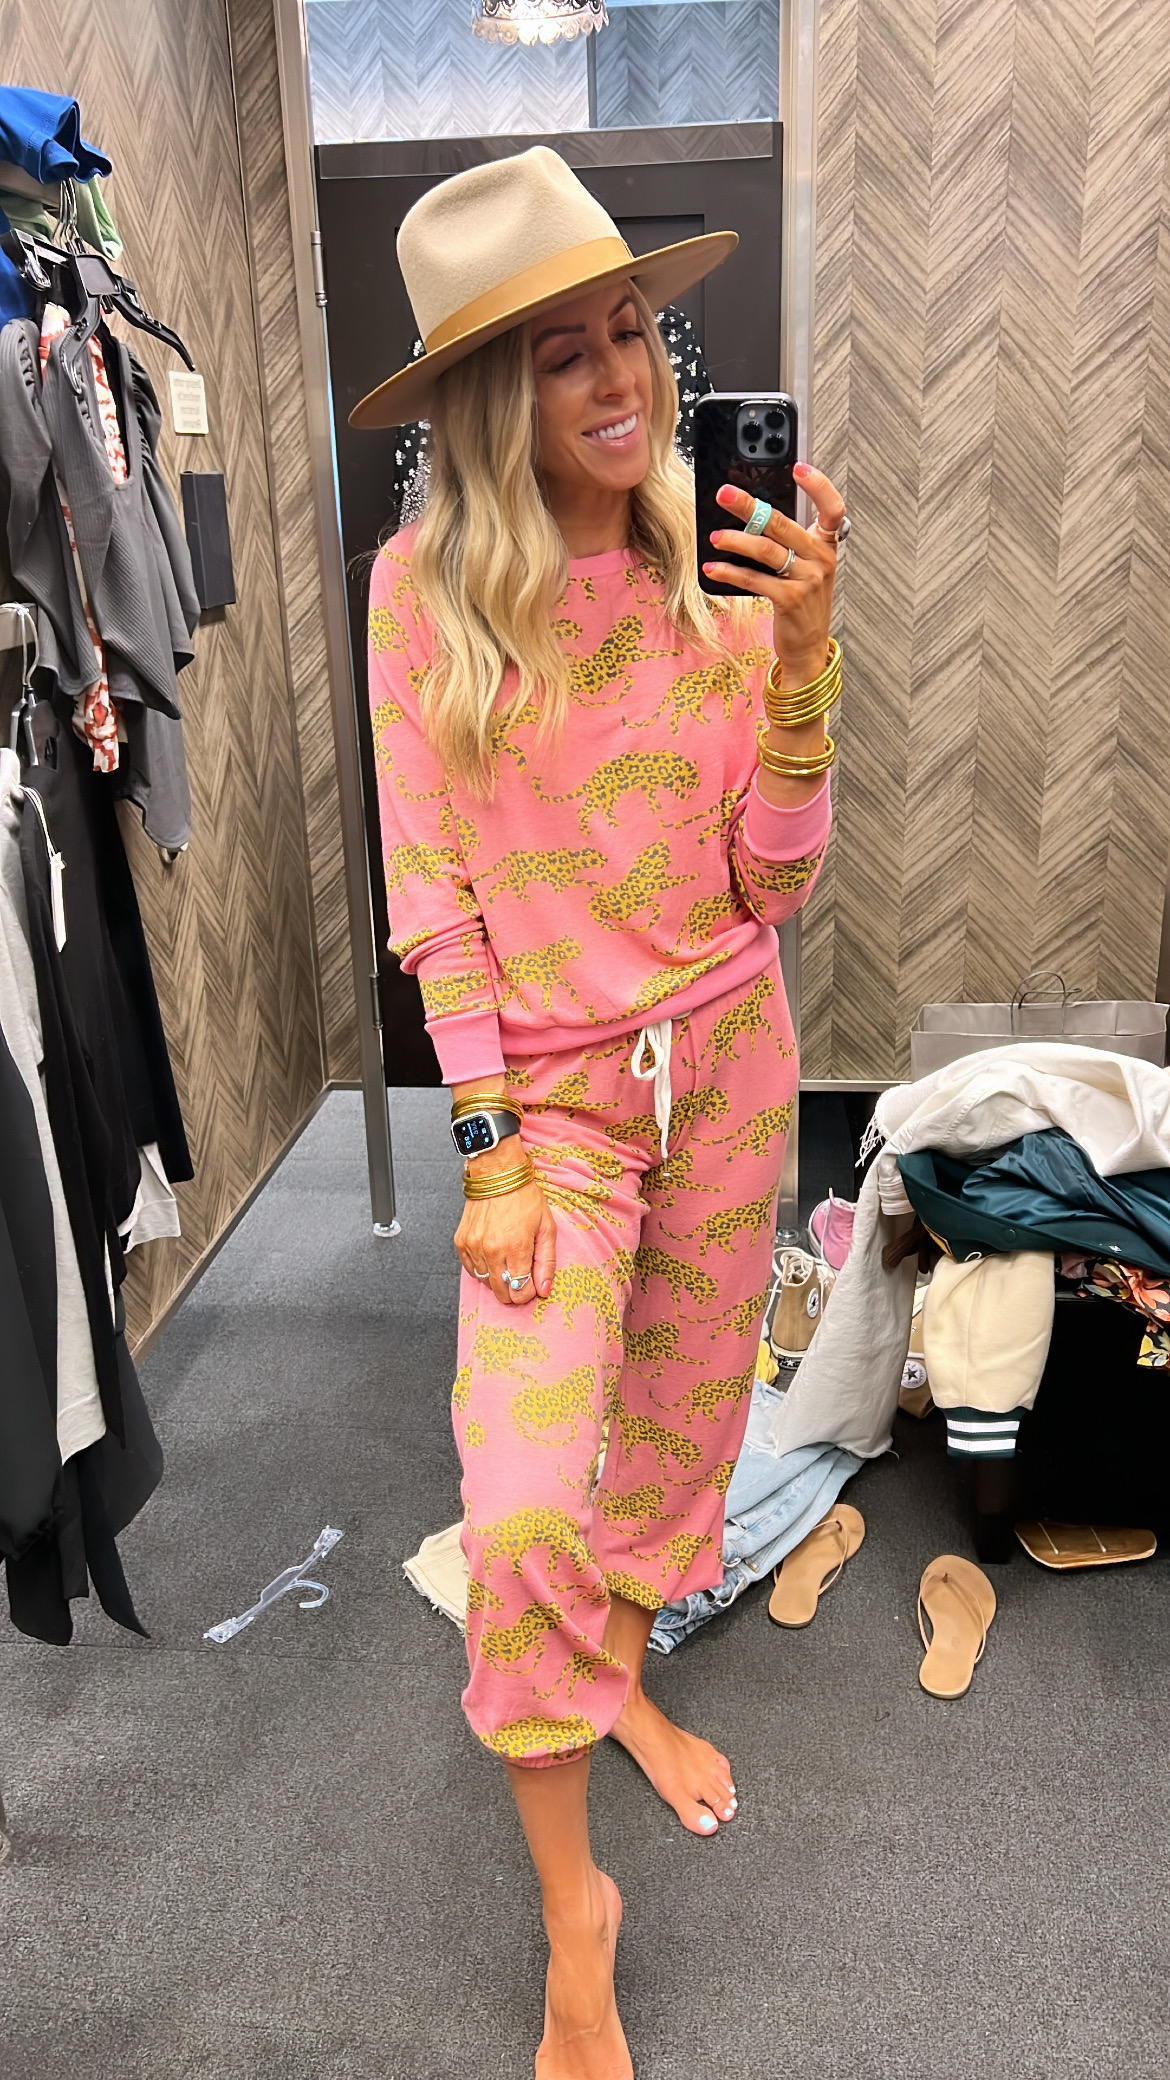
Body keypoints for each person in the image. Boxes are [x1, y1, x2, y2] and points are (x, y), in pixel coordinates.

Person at [356, 147, 848, 2080]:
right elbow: (431, 893)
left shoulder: (712, 565)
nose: (617, 377)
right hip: (549, 1115)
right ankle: (578, 1913)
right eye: (559, 353)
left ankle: (620, 1689)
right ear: (493, 397)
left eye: (629, 330)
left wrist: (800, 663)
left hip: (728, 1065)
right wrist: (481, 1144)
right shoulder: (420, 598)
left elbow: (768, 880)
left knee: (670, 1448)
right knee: (523, 1511)